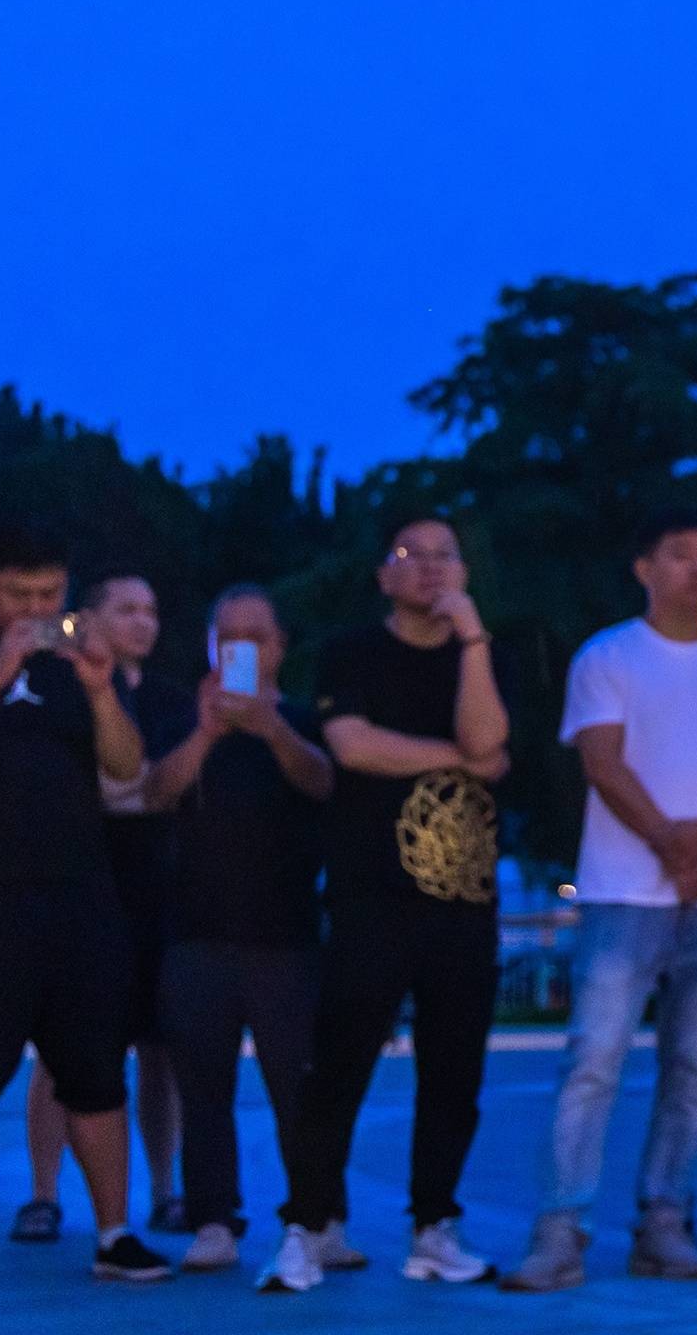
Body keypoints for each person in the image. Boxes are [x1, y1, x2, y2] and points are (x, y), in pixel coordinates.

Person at [503, 513, 697, 1292]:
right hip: (625, 891)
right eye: (679, 555)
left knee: (694, 1066)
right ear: (644, 568)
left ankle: (666, 1219)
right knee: (593, 1060)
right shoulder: (609, 655)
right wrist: (671, 845)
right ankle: (561, 1228)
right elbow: (603, 761)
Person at [0, 526, 171, 1288]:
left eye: (49, 594)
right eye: (20, 594)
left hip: (80, 900)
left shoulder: (83, 668)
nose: (36, 608)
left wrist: (94, 688)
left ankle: (115, 1231)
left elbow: (127, 767)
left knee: (93, 1068)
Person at [274, 517, 509, 1289]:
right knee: (338, 1066)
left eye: (446, 555)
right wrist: (457, 758)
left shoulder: (487, 656)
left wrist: (472, 642)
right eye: (412, 556)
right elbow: (353, 746)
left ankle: (434, 1227)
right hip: (373, 895)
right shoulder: (352, 652)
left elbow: (497, 744)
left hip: (463, 903)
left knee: (455, 1073)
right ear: (383, 576)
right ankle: (307, 1225)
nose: (430, 570)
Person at [141, 587, 333, 1277]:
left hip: (285, 937)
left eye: (256, 636)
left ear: (279, 646)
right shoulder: (179, 718)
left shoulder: (305, 719)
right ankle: (213, 1218)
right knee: (203, 1090)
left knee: (298, 1089)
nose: (241, 649)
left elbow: (323, 783)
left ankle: (314, 1217)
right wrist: (206, 732)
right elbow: (155, 792)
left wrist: (271, 727)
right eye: (228, 637)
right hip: (196, 934)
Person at [22, 575, 193, 1244]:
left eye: (152, 610)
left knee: (159, 1049)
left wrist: (139, 788)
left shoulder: (173, 699)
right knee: (62, 1050)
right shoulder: (52, 690)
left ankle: (165, 1187)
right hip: (78, 884)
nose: (142, 622)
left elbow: (158, 789)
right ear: (86, 616)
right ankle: (42, 1194)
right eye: (125, 609)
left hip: (152, 888)